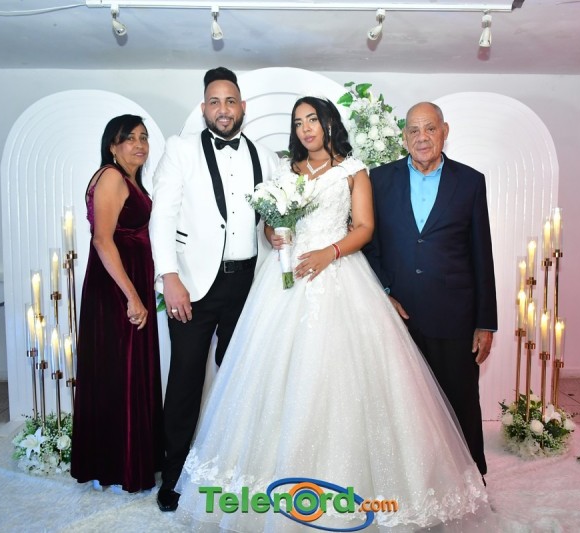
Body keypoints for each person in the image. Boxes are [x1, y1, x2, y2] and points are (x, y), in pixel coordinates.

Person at [172, 97, 489, 532]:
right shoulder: (286, 172)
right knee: (277, 381)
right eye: (298, 122)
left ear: (328, 124)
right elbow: (270, 225)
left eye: (313, 120)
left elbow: (365, 228)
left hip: (340, 276)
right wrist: (274, 231)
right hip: (285, 286)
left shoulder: (353, 171)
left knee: (347, 381)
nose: (306, 128)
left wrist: (330, 252)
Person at [149, 67, 280, 512]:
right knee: (185, 379)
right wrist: (169, 277)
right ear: (203, 107)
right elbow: (162, 216)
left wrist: (276, 233)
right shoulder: (180, 149)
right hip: (192, 285)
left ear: (242, 107)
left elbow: (272, 220)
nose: (223, 110)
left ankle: (233, 466)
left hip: (247, 284)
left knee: (240, 377)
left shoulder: (266, 157)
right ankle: (173, 474)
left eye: (230, 101)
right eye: (214, 102)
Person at [364, 101, 497, 478]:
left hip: (454, 315)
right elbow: (369, 245)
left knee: (460, 401)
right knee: (402, 405)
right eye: (414, 130)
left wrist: (485, 322)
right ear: (403, 137)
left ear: (445, 131)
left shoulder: (470, 181)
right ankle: (410, 479)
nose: (422, 137)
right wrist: (383, 292)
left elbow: (481, 253)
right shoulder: (379, 179)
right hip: (398, 315)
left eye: (430, 128)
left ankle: (471, 478)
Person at [71, 114, 163, 493]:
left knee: (124, 373)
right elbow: (102, 240)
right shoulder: (111, 176)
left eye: (143, 137)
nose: (139, 144)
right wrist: (132, 296)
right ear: (112, 145)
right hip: (116, 289)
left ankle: (126, 458)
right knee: (120, 373)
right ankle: (119, 464)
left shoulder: (129, 179)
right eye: (129, 138)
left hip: (127, 283)